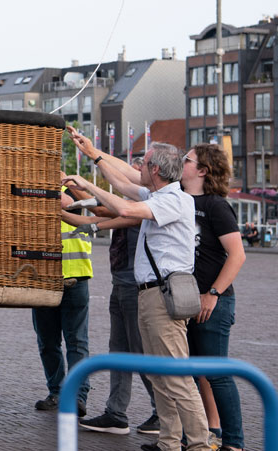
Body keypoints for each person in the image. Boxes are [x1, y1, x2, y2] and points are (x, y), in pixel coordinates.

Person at [64, 143, 213, 451]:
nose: (139, 169)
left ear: (155, 170)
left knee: (177, 376)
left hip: (163, 295)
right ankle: (169, 442)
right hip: (148, 294)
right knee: (160, 374)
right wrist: (91, 168)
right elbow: (121, 185)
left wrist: (88, 183)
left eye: (144, 164)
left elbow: (125, 208)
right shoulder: (157, 195)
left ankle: (199, 444)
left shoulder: (175, 200)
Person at [63, 132, 159, 436]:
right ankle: (116, 413)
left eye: (143, 165)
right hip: (122, 281)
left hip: (137, 284)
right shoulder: (136, 194)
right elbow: (114, 187)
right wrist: (93, 152)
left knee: (140, 351)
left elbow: (109, 210)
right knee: (119, 348)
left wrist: (79, 207)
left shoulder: (149, 202)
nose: (136, 169)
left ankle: (162, 411)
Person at [182, 144, 246, 451]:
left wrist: (213, 294)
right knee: (193, 373)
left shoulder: (216, 206)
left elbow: (237, 255)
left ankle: (234, 444)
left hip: (213, 303)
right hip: (186, 301)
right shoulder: (179, 200)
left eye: (187, 160)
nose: (181, 164)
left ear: (203, 170)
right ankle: (201, 435)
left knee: (217, 374)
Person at [32, 176, 94, 418]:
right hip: (42, 279)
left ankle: (77, 396)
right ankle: (57, 392)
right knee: (48, 342)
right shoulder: (32, 192)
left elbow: (73, 204)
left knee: (77, 341)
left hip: (76, 276)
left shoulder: (74, 188)